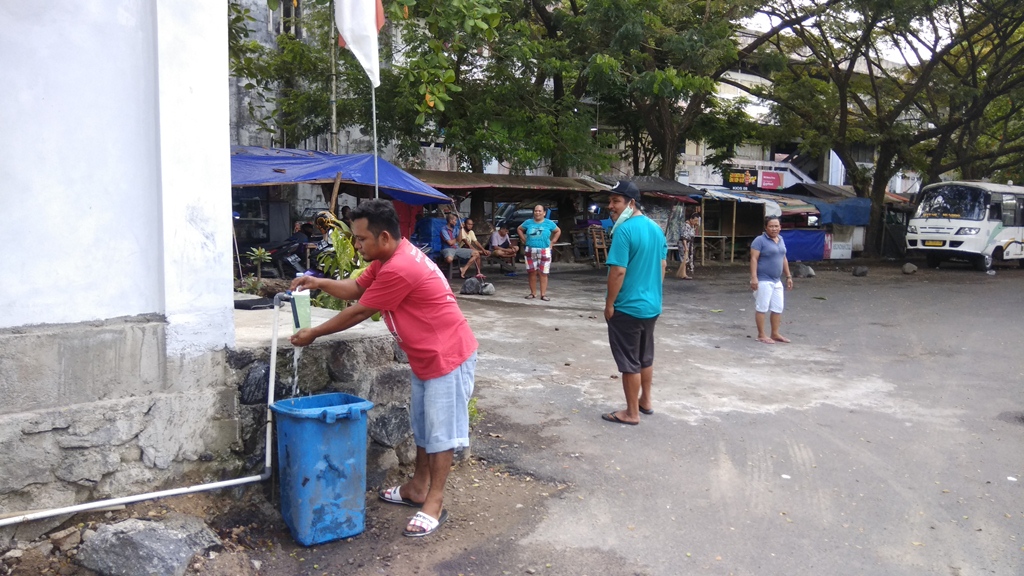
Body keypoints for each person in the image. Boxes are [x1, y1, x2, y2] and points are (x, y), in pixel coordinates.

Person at [289, 199, 477, 538]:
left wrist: (314, 333)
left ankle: (434, 502)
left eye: (361, 239)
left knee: (441, 433)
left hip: (448, 356)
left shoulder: (400, 267)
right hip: (426, 357)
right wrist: (318, 283)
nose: (357, 245)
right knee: (423, 427)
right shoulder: (387, 258)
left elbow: (360, 310)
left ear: (384, 237)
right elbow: (355, 288)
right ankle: (417, 487)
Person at [600, 181, 667, 426]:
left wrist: (610, 303)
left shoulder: (624, 230)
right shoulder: (655, 228)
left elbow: (618, 271)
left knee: (630, 362)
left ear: (631, 203)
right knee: (644, 356)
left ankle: (631, 413)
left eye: (616, 201)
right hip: (651, 306)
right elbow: (662, 265)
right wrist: (652, 292)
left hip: (627, 307)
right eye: (610, 201)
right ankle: (645, 401)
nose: (611, 206)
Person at [749, 215, 793, 344]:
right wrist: (754, 277)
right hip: (763, 279)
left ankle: (775, 333)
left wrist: (788, 276)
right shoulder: (759, 240)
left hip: (776, 280)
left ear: (780, 227)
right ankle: (761, 334)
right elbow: (754, 259)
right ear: (766, 227)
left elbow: (783, 258)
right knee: (762, 307)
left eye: (776, 226)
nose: (774, 229)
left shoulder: (781, 239)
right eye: (771, 226)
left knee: (778, 308)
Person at [517, 205, 560, 300]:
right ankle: (533, 293)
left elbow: (558, 231)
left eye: (540, 211)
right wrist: (524, 239)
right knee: (531, 272)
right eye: (536, 211)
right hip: (530, 250)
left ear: (544, 213)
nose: (537, 213)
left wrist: (553, 242)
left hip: (544, 250)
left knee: (543, 273)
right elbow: (519, 229)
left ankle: (543, 294)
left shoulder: (549, 223)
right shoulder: (528, 222)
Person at [440, 213, 481, 278]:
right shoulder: (443, 229)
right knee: (449, 259)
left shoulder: (456, 229)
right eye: (455, 220)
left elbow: (459, 240)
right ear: (450, 220)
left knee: (476, 253)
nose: (456, 222)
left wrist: (461, 229)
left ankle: (463, 269)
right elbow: (450, 243)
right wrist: (456, 239)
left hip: (457, 248)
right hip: (447, 248)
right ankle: (443, 264)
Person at [675, 213, 698, 279]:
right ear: (691, 219)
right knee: (684, 259)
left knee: (687, 258)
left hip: (689, 243)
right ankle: (683, 274)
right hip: (684, 243)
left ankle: (683, 273)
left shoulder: (692, 226)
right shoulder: (686, 226)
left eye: (697, 221)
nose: (696, 222)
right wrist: (685, 247)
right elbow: (684, 238)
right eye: (695, 220)